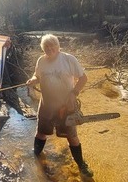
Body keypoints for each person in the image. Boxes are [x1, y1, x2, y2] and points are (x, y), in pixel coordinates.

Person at [26, 34, 93, 179]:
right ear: (43, 49)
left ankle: (81, 165)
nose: (50, 49)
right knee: (41, 132)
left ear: (58, 46)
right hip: (46, 105)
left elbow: (83, 78)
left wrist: (74, 93)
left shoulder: (68, 59)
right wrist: (32, 80)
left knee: (72, 137)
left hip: (66, 106)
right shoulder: (41, 61)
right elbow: (38, 76)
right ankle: (35, 156)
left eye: (52, 46)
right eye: (46, 47)